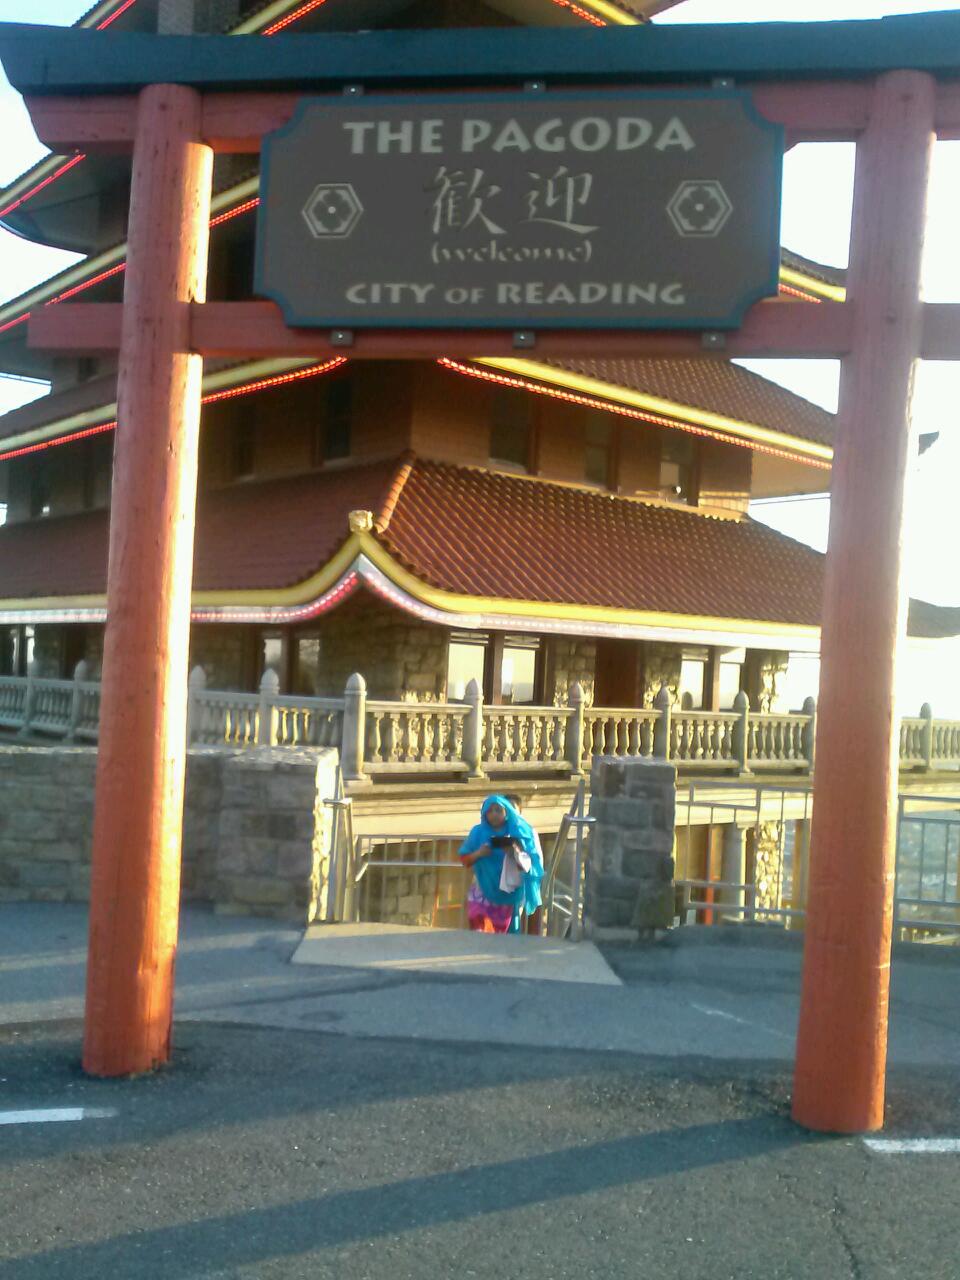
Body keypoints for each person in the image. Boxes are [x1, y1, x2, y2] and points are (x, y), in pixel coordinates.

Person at [459, 794, 544, 934]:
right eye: (490, 810)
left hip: (509, 897)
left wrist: (514, 852)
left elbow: (528, 867)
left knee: (508, 939)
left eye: (498, 810)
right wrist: (478, 853)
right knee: (480, 931)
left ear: (507, 812)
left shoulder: (520, 832)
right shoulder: (477, 832)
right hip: (482, 893)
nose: (494, 814)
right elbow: (464, 859)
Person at [505, 793, 545, 935]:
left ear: (519, 811)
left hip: (517, 886)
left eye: (512, 808)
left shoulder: (529, 832)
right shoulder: (496, 830)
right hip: (495, 886)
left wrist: (517, 852)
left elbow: (537, 861)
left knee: (512, 925)